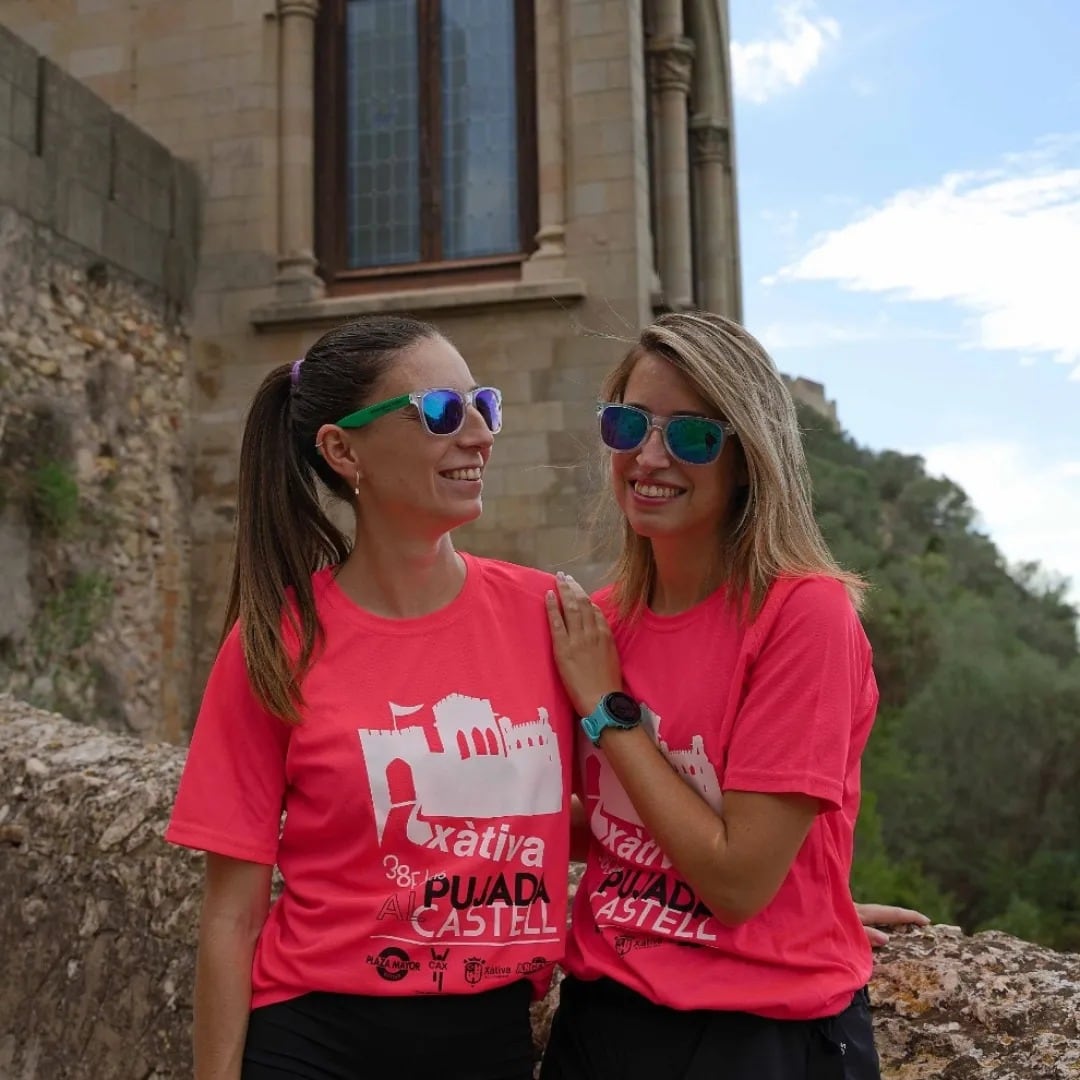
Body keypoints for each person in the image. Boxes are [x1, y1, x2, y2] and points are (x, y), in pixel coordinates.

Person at [165, 314, 577, 1080]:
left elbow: (628, 812)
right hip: (314, 1040)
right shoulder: (277, 645)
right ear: (343, 449)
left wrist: (774, 908)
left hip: (487, 1040)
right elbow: (231, 914)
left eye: (483, 406)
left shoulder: (551, 618)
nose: (480, 435)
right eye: (441, 413)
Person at [541, 311, 926, 1080]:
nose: (649, 457)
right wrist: (815, 896)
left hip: (758, 1033)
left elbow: (739, 881)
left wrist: (609, 712)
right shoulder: (606, 622)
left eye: (691, 436)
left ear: (746, 458)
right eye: (629, 425)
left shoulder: (803, 616)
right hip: (602, 1015)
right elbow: (618, 825)